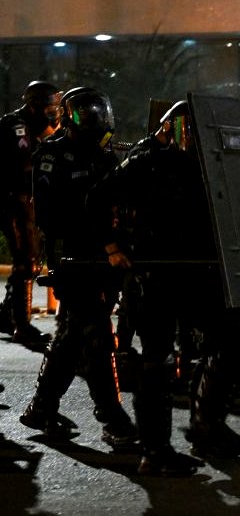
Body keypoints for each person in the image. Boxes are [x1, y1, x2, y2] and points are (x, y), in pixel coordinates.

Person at [87, 99, 214, 475]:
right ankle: (155, 452)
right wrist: (112, 245)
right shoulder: (146, 160)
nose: (190, 137)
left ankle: (193, 433)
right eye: (184, 129)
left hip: (187, 271)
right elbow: (97, 198)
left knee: (202, 348)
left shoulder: (196, 162)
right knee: (156, 361)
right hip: (153, 274)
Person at [19, 89, 139, 449]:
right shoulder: (52, 156)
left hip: (102, 259)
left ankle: (41, 407)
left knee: (73, 336)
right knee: (98, 335)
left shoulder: (104, 156)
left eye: (95, 114)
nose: (92, 121)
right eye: (85, 115)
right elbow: (52, 216)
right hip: (72, 259)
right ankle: (112, 417)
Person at [0, 80, 59, 347]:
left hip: (24, 200)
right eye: (49, 107)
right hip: (11, 199)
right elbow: (26, 164)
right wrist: (48, 137)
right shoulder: (17, 126)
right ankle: (22, 326)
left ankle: (7, 316)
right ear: (34, 105)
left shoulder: (34, 127)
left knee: (28, 261)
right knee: (26, 263)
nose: (53, 112)